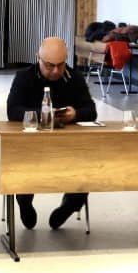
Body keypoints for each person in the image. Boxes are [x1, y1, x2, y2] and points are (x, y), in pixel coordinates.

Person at [6, 37, 97, 230]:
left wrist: (76, 114)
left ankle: (69, 206)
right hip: (31, 147)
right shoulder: (24, 77)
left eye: (60, 65)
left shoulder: (74, 77)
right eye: (49, 66)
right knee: (21, 167)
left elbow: (91, 111)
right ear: (38, 58)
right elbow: (13, 111)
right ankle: (24, 201)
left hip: (69, 147)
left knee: (89, 168)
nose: (55, 71)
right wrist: (43, 116)